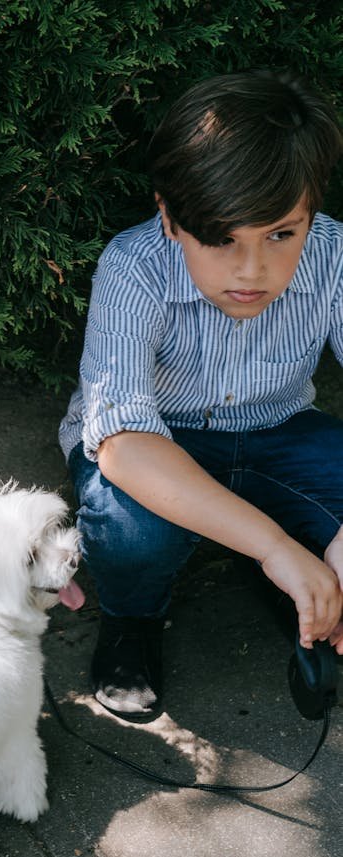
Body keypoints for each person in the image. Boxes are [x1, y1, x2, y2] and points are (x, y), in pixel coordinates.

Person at [59, 69, 343, 724]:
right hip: (159, 446)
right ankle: (133, 622)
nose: (252, 272)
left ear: (311, 212)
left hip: (279, 431)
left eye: (281, 234)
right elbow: (126, 448)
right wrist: (273, 543)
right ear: (169, 215)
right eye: (221, 239)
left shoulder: (333, 256)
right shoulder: (132, 267)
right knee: (132, 531)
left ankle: (304, 582)